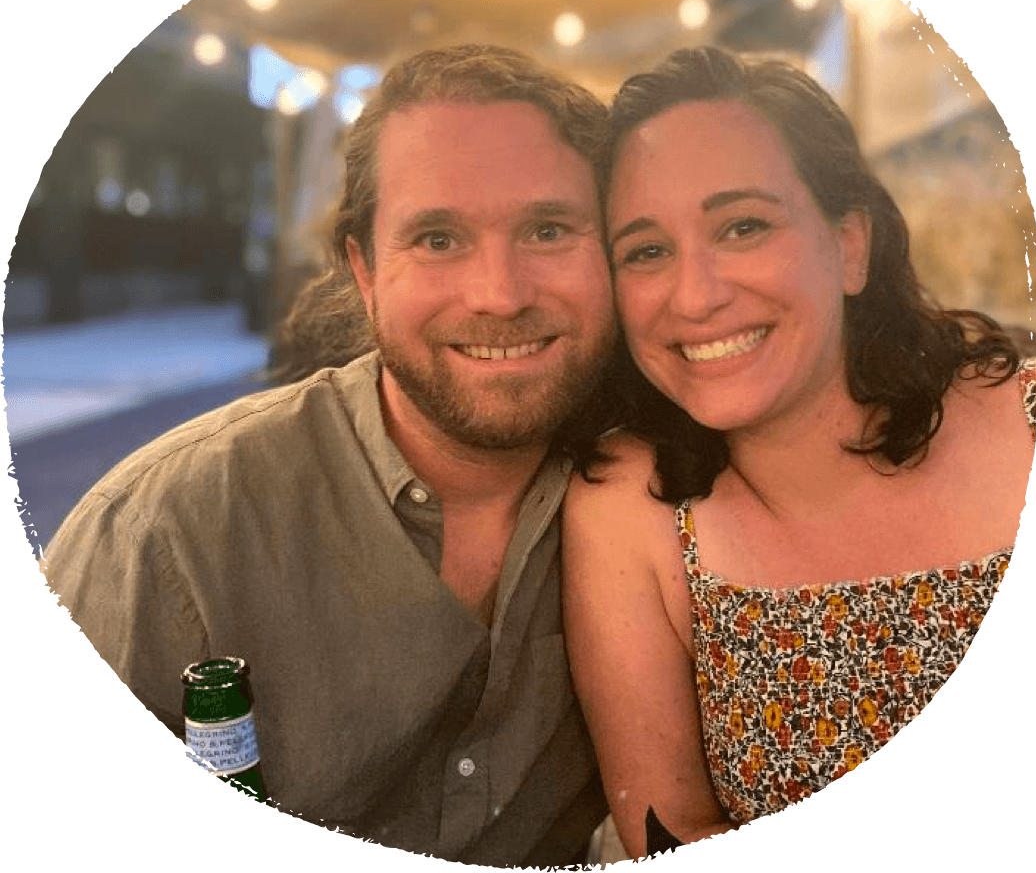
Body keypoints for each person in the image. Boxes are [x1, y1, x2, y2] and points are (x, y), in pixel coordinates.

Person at [42, 44, 618, 866]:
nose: (500, 293)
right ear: (364, 271)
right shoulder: (160, 539)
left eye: (549, 230)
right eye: (438, 238)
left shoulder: (663, 502)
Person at [561, 46, 1036, 859]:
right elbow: (668, 830)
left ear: (849, 245)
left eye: (743, 226)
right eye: (645, 251)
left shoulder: (1029, 416)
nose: (696, 295)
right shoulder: (631, 507)